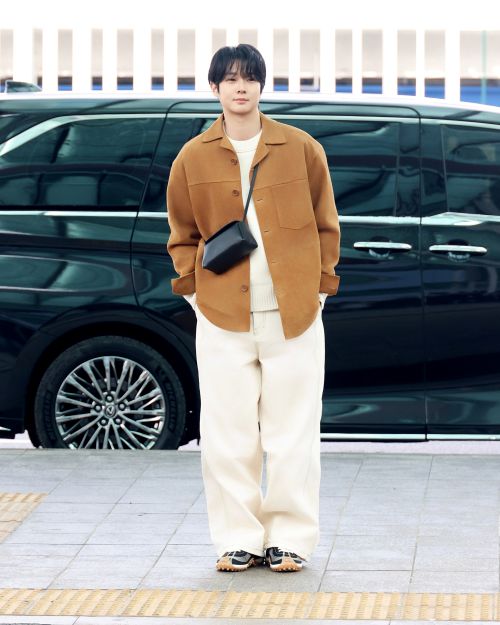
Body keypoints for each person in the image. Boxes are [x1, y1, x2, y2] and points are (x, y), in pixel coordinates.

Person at [166, 43, 341, 573]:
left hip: (294, 315)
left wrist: (318, 291)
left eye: (249, 78)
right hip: (222, 316)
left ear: (262, 85)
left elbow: (326, 224)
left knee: (293, 434)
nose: (240, 87)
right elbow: (181, 234)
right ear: (214, 88)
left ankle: (289, 538)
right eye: (230, 78)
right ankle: (237, 538)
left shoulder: (301, 148)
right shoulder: (192, 156)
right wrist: (194, 294)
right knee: (228, 435)